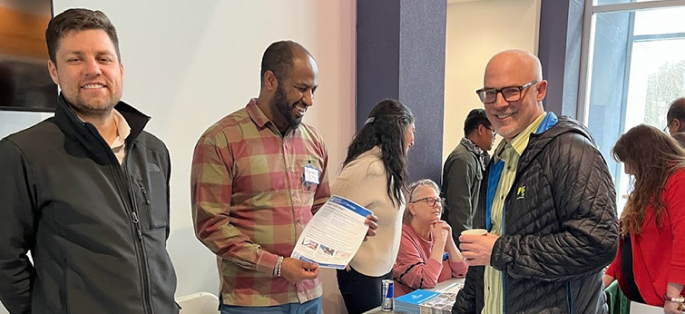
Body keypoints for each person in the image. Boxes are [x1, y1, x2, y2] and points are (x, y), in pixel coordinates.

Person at [0, 9, 178, 314]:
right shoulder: (22, 154)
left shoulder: (154, 153)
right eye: (75, 59)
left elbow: (155, 248)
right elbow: (4, 260)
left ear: (120, 69)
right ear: (54, 71)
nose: (92, 69)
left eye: (103, 58)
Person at [191, 41, 376, 314]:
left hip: (310, 297)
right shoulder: (220, 140)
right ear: (270, 80)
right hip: (253, 303)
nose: (309, 100)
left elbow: (320, 206)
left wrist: (349, 229)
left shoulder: (314, 141)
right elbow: (211, 227)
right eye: (301, 89)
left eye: (313, 90)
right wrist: (277, 265)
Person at [453, 49, 619, 314]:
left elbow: (597, 244)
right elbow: (481, 263)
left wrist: (500, 250)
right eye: (490, 93)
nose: (499, 103)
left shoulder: (571, 151)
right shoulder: (499, 159)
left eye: (512, 91)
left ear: (540, 90)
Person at [332, 99, 415, 314]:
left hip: (383, 271)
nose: (413, 139)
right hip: (362, 274)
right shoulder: (368, 167)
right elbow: (326, 206)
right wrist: (340, 251)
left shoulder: (387, 169)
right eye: (411, 130)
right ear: (397, 129)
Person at [603, 125, 685, 314]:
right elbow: (627, 241)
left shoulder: (678, 179)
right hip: (643, 299)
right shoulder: (648, 186)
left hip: (664, 300)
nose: (626, 171)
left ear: (645, 158)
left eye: (629, 162)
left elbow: (683, 241)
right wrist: (604, 281)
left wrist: (673, 297)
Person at [393, 179, 468, 297]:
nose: (437, 205)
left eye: (438, 200)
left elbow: (462, 272)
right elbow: (426, 281)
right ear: (412, 208)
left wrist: (448, 240)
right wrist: (440, 241)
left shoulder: (438, 231)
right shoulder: (402, 236)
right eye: (430, 200)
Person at [441, 108, 495, 246]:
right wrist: (466, 246)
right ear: (481, 130)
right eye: (493, 131)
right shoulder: (462, 160)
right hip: (465, 245)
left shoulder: (480, 157)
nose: (495, 137)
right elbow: (460, 210)